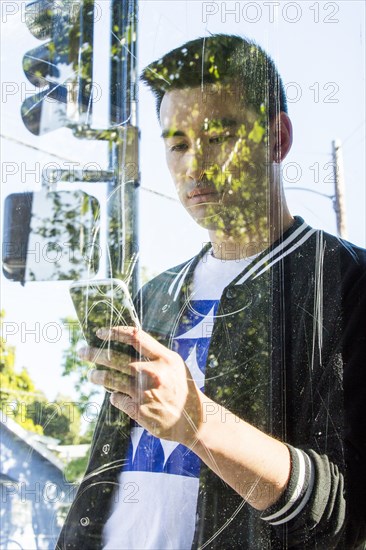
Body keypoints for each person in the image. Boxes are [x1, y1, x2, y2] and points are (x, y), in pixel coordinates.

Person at [57, 35, 366, 549]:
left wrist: (196, 420)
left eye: (218, 136)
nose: (193, 165)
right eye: (177, 143)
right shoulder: (157, 294)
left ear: (277, 139)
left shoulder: (345, 283)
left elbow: (347, 512)